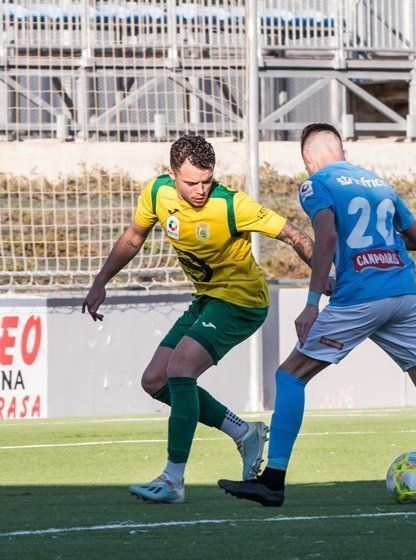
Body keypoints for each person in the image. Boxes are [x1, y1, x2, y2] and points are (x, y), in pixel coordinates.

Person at [217, 124, 416, 507]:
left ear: (309, 159)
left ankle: (272, 480)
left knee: (290, 377)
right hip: (404, 294)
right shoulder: (379, 184)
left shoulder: (316, 184)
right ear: (342, 150)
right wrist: (382, 243)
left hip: (360, 296)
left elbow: (326, 237)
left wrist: (311, 302)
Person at [82, 135, 316, 503]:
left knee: (180, 369)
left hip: (242, 300)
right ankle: (244, 433)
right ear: (172, 174)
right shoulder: (158, 194)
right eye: (191, 182)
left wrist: (323, 278)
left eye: (207, 181)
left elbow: (294, 235)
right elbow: (134, 236)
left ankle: (173, 479)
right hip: (207, 299)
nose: (201, 190)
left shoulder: (232, 205)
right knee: (155, 380)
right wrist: (101, 280)